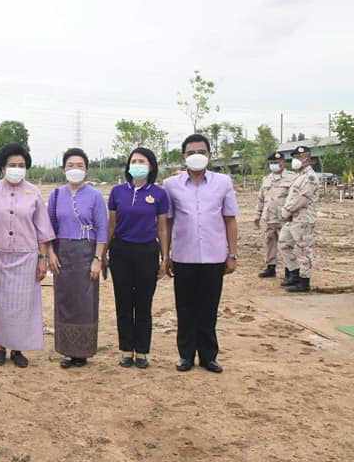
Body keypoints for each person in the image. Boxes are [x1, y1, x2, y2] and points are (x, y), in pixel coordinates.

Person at [164, 134, 239, 374]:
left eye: (201, 151)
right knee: (185, 309)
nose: (196, 156)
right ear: (183, 156)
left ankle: (208, 356)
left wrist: (232, 254)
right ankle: (185, 355)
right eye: (191, 152)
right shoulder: (171, 185)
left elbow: (230, 220)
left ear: (209, 154)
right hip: (183, 257)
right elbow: (166, 222)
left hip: (214, 257)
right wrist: (165, 256)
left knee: (208, 309)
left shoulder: (223, 182)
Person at [0, 143, 56, 368]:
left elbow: (42, 230)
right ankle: (0, 347)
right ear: (3, 167)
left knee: (24, 305)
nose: (16, 168)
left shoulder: (33, 193)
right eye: (12, 165)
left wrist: (43, 260)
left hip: (26, 258)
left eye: (21, 165)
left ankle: (18, 349)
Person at [104, 147, 169, 369]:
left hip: (147, 252)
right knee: (123, 302)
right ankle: (126, 350)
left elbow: (162, 228)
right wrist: (103, 253)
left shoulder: (159, 194)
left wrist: (165, 257)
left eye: (142, 161)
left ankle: (142, 351)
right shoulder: (118, 192)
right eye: (134, 160)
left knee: (143, 302)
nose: (137, 164)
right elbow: (111, 224)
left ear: (151, 166)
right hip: (121, 251)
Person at [47, 148, 108, 369]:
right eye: (71, 165)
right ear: (64, 169)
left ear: (87, 169)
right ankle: (67, 349)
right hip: (62, 254)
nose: (75, 169)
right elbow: (49, 228)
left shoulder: (95, 196)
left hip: (86, 253)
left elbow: (102, 229)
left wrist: (97, 258)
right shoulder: (56, 195)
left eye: (80, 166)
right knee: (65, 301)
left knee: (85, 302)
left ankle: (82, 351)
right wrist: (50, 253)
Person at [279, 145, 320, 293]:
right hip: (292, 218)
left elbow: (301, 199)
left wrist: (286, 210)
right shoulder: (299, 176)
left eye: (299, 158)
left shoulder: (309, 177)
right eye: (295, 158)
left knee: (303, 249)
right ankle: (294, 273)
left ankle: (304, 282)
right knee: (284, 243)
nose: (295, 161)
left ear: (307, 158)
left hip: (302, 218)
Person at [254, 151, 297, 279]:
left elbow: (294, 199)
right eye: (271, 163)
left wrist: (291, 214)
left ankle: (290, 270)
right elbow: (261, 198)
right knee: (269, 242)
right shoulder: (267, 179)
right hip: (268, 217)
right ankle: (270, 267)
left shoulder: (292, 178)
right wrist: (257, 214)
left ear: (283, 162)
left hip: (285, 218)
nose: (274, 165)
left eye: (276, 162)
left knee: (286, 244)